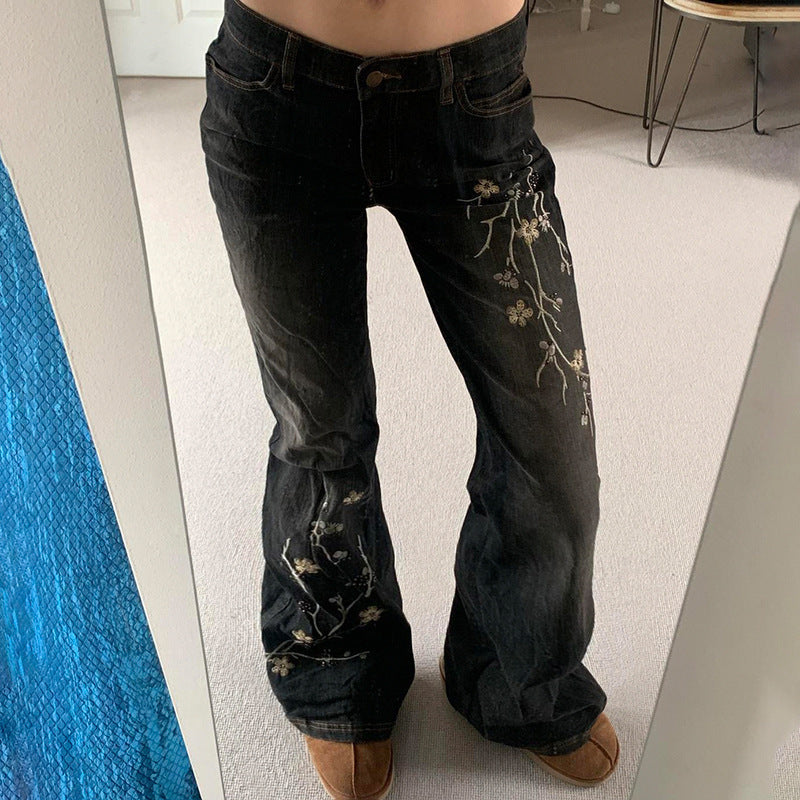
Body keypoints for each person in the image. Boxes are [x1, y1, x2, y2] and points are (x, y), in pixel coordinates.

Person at [199, 0, 619, 796]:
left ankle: (514, 673)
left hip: (477, 96)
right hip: (276, 90)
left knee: (552, 440)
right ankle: (338, 665)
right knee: (320, 430)